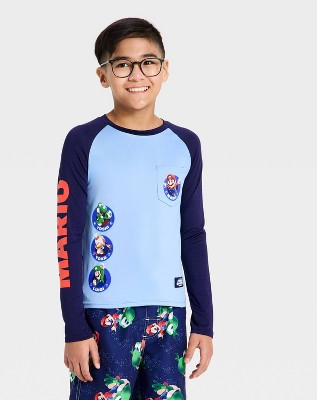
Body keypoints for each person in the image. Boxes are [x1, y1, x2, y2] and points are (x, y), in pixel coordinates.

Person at [56, 17, 214, 399]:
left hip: (168, 315)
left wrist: (204, 322)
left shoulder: (185, 145)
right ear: (103, 75)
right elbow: (67, 235)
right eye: (123, 64)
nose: (137, 74)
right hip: (101, 315)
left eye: (148, 62)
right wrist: (74, 327)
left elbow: (192, 235)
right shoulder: (83, 141)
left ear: (165, 69)